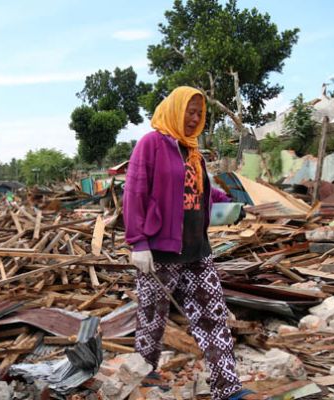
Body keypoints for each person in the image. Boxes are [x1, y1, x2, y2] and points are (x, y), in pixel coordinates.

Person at [123, 87, 256, 400]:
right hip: (160, 250)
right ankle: (144, 376)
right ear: (174, 109)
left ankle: (227, 388)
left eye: (199, 113)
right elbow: (134, 193)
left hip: (197, 248)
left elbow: (200, 191)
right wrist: (137, 242)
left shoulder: (192, 149)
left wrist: (230, 206)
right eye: (189, 111)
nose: (194, 118)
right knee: (152, 318)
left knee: (213, 316)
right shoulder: (151, 144)